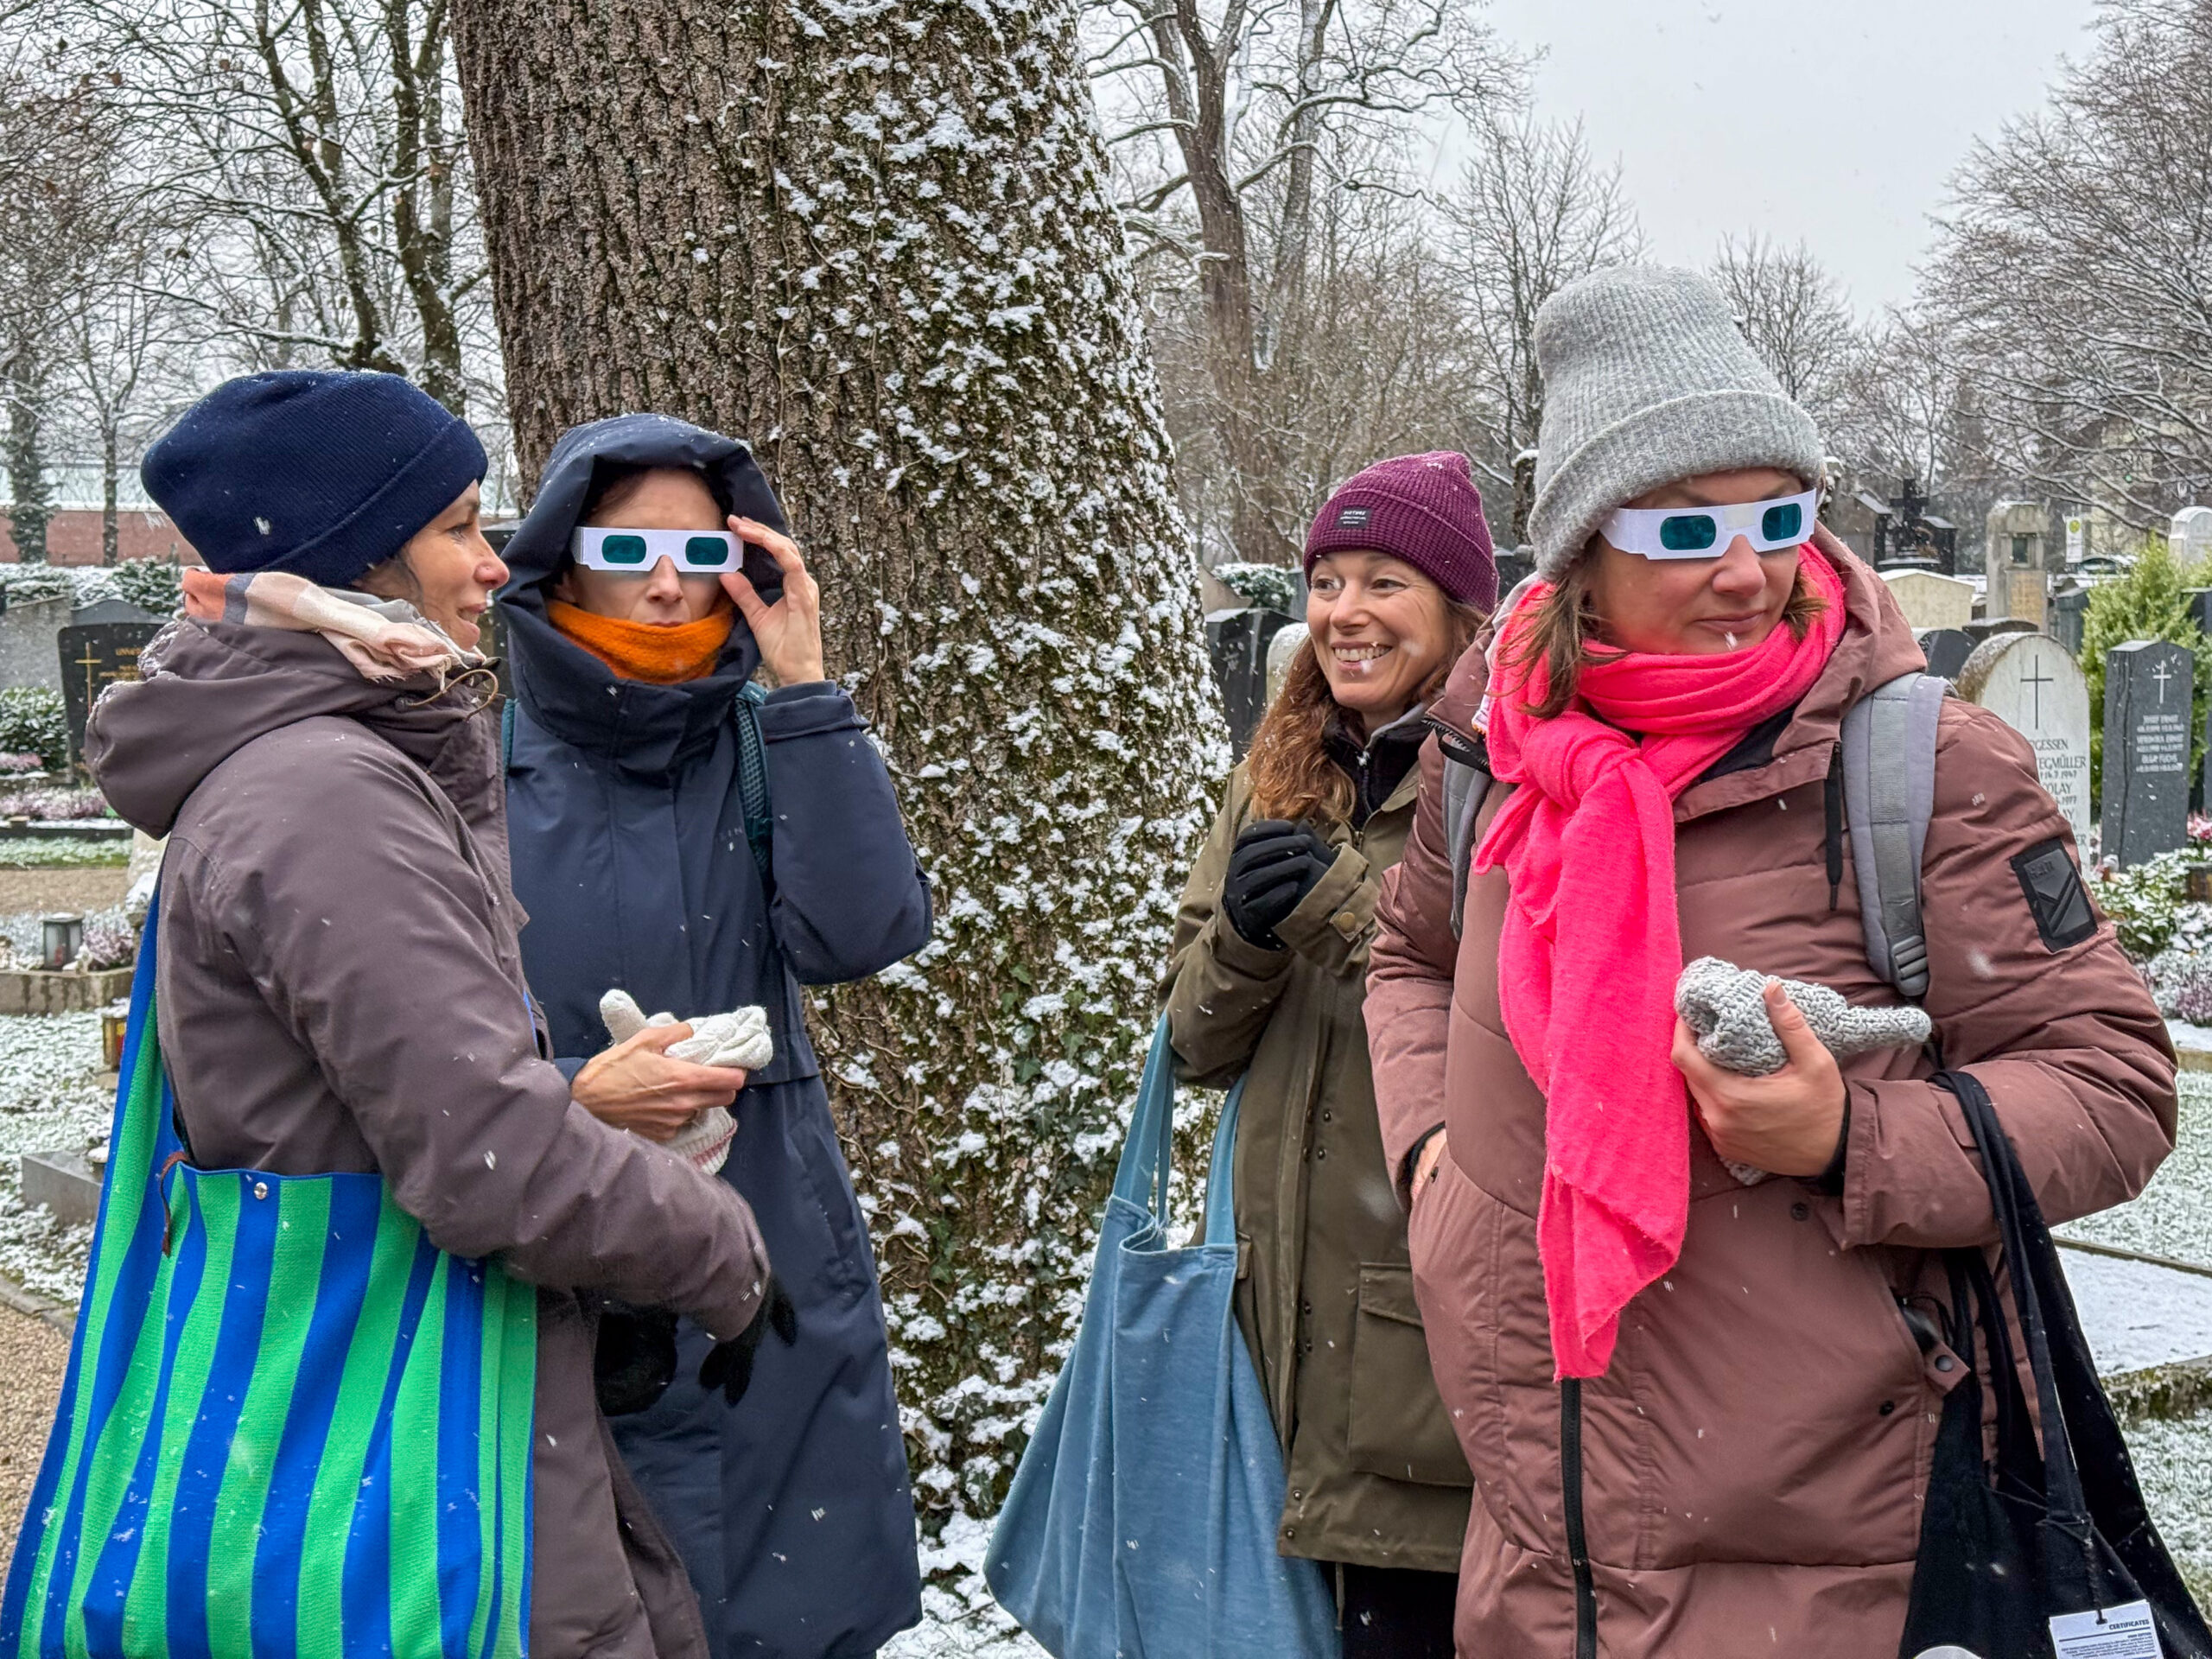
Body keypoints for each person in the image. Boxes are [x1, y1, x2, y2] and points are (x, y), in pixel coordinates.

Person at [1364, 266, 2178, 1656]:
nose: (1747, 571)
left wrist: (1852, 1135)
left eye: (1780, 517)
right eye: (1685, 528)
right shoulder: (1489, 756)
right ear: (1578, 555)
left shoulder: (1924, 764)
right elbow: (1411, 959)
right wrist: (1438, 1161)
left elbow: (2113, 1084)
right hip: (1533, 1558)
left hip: (1831, 1563)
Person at [83, 371, 781, 1658]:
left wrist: (565, 1098)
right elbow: (485, 1168)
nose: (493, 563)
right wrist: (724, 1258)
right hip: (408, 1454)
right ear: (357, 557)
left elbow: (343, 1112)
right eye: (459, 526)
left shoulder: (291, 768)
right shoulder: (328, 795)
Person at [496, 414, 932, 1659]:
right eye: (626, 541)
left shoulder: (761, 736)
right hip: (548, 1235)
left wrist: (802, 689)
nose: (666, 573)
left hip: (766, 1244)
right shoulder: (483, 755)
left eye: (698, 547)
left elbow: (863, 932)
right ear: (563, 557)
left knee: (780, 1608)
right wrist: (582, 1094)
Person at [1163, 453, 1493, 1658]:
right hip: (1277, 1338)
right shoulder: (1278, 776)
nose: (1344, 612)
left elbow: (1517, 1024)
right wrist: (1245, 941)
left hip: (1426, 1336)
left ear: (1463, 610)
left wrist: (1346, 909)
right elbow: (1194, 1045)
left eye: (1384, 581)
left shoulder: (1507, 774)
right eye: (1327, 580)